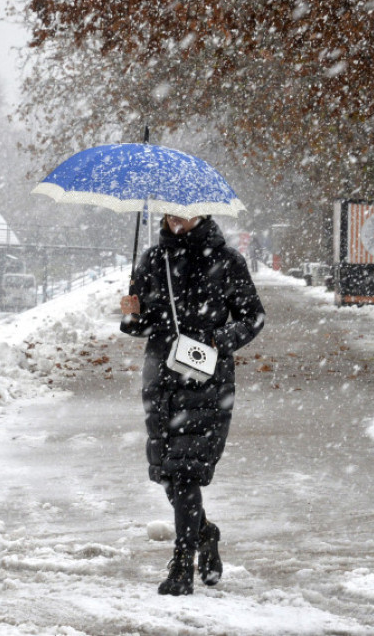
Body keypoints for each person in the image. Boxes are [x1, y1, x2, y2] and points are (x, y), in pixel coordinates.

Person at [120, 213, 265, 596]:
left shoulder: (227, 260)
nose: (177, 218)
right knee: (167, 472)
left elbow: (254, 316)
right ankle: (205, 533)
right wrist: (132, 313)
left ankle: (182, 564)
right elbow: (142, 325)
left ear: (202, 213)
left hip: (206, 376)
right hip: (161, 378)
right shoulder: (152, 260)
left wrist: (221, 338)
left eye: (185, 211)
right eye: (170, 211)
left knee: (185, 472)